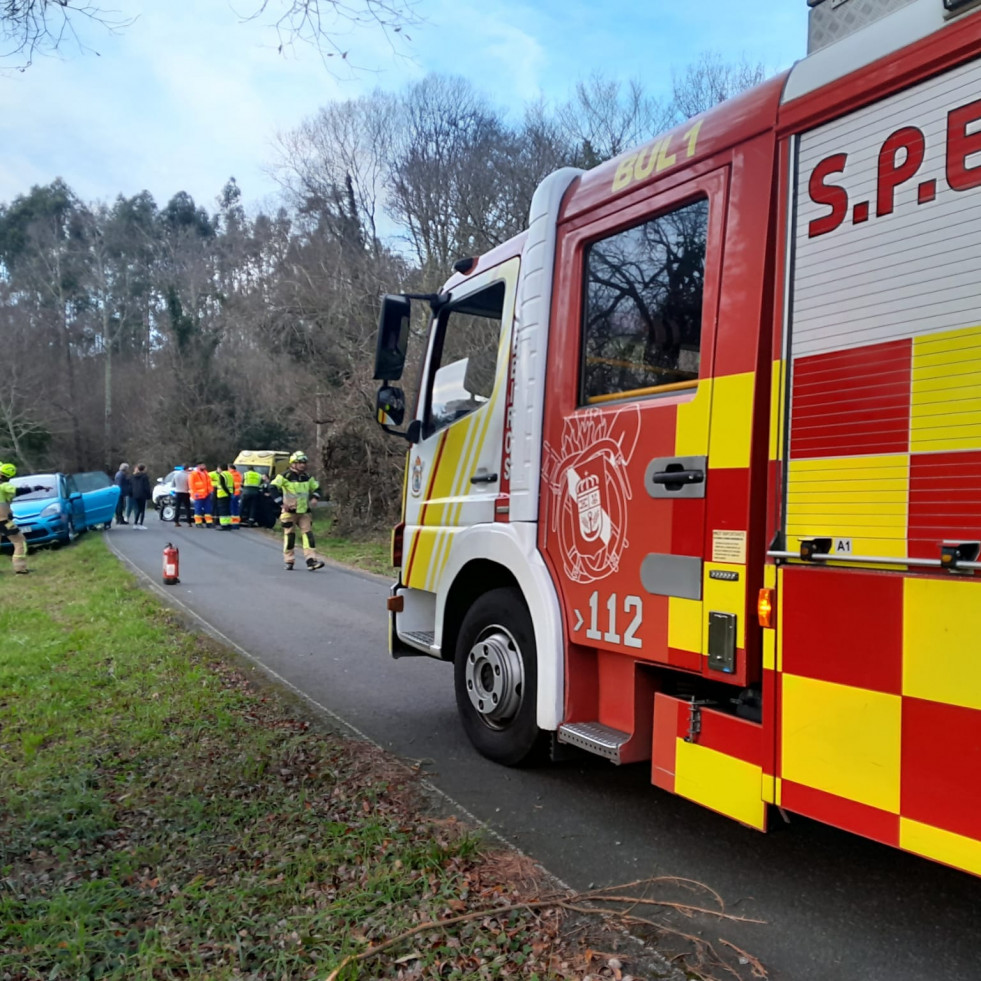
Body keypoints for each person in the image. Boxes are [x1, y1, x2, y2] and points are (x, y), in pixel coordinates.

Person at [271, 451, 325, 571]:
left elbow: (317, 488)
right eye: (300, 462)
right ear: (293, 464)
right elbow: (272, 487)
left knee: (308, 536)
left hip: (304, 512)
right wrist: (281, 503)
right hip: (289, 512)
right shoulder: (285, 476)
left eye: (304, 463)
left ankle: (311, 561)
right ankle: (289, 560)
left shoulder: (307, 477)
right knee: (290, 537)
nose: (302, 465)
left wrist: (315, 497)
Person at [0, 462, 31, 574]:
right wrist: (36, 488)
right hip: (4, 521)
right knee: (19, 541)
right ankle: (20, 568)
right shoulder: (3, 486)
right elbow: (16, 491)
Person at [188, 463, 213, 528]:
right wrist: (194, 493)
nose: (204, 466)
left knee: (208, 509)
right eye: (203, 465)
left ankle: (209, 522)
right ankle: (198, 522)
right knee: (198, 509)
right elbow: (191, 484)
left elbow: (209, 483)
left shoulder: (206, 473)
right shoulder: (194, 474)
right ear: (198, 466)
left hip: (207, 494)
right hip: (198, 494)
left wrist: (211, 490)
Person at [210, 464, 234, 530]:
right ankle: (228, 524)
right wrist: (231, 493)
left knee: (222, 511)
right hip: (228, 495)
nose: (217, 470)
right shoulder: (230, 475)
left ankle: (224, 525)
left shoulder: (222, 475)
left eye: (218, 468)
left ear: (220, 468)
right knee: (227, 510)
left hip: (222, 495)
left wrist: (228, 493)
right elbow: (232, 485)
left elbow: (223, 486)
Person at [127, 463, 151, 528]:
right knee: (142, 510)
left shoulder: (132, 476)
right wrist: (149, 495)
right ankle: (141, 524)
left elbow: (130, 486)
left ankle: (135, 523)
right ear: (144, 469)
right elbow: (147, 487)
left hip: (135, 494)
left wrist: (131, 493)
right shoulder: (145, 476)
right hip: (143, 494)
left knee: (138, 509)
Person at [228, 463, 243, 527]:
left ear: (230, 468)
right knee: (236, 509)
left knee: (231, 509)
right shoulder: (239, 474)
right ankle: (236, 524)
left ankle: (232, 523)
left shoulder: (229, 474)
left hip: (232, 493)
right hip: (237, 493)